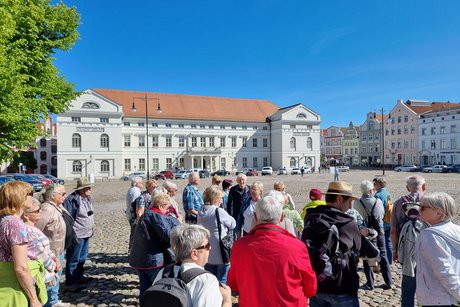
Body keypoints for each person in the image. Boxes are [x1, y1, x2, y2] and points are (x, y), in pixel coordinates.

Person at [227, 195, 317, 306]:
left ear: (255, 217)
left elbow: (233, 283)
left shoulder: (240, 246)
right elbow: (311, 287)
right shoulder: (297, 247)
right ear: (282, 217)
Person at [304, 181, 362, 307]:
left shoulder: (311, 217)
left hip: (317, 285)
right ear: (339, 199)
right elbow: (358, 247)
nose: (350, 206)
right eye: (349, 201)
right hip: (342, 285)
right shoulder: (347, 222)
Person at [152, 224, 232, 307]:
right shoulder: (206, 280)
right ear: (194, 254)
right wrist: (227, 300)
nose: (210, 248)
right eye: (207, 246)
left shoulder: (163, 273)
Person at [129, 192, 181, 301]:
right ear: (161, 206)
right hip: (153, 260)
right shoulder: (155, 216)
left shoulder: (147, 214)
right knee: (157, 289)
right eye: (167, 208)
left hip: (140, 259)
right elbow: (168, 235)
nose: (167, 211)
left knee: (145, 288)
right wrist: (177, 221)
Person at [0, 181, 43, 307]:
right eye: (30, 193)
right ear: (20, 197)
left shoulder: (4, 220)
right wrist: (34, 299)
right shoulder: (15, 224)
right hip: (16, 286)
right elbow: (21, 268)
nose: (32, 196)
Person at [416, 192, 460, 306]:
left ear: (439, 212)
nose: (418, 210)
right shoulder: (456, 229)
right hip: (449, 297)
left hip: (436, 298)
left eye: (423, 207)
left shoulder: (430, 235)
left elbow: (443, 270)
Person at [391, 175, 426, 307]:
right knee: (429, 284)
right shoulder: (429, 202)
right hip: (426, 248)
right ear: (424, 186)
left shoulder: (399, 203)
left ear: (407, 188)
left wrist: (394, 250)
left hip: (406, 249)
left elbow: (393, 230)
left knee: (408, 285)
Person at [353, 180, 393, 290]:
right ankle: (389, 281)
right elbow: (382, 215)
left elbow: (357, 218)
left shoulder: (357, 203)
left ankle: (370, 283)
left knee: (366, 257)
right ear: (371, 190)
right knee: (383, 256)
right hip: (379, 232)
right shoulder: (378, 201)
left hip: (365, 233)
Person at [35, 184, 70, 305]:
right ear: (53, 196)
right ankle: (49, 303)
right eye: (63, 194)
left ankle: (53, 300)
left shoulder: (57, 206)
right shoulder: (47, 209)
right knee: (50, 280)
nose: (65, 196)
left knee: (56, 278)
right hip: (50, 252)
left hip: (59, 249)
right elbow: (36, 230)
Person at [198, 185, 236, 284]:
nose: (222, 201)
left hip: (206, 249)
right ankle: (221, 298)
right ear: (215, 198)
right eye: (221, 198)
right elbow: (233, 224)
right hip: (220, 251)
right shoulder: (218, 211)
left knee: (210, 279)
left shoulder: (201, 210)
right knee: (222, 278)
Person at [63, 178, 95, 288]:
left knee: (82, 257)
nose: (90, 190)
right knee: (73, 259)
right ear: (82, 189)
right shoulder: (72, 200)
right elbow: (67, 218)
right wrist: (71, 234)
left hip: (86, 233)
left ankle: (79, 276)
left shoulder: (87, 198)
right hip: (77, 234)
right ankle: (70, 282)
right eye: (88, 188)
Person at [22, 198, 60, 289]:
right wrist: (53, 266)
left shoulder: (34, 228)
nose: (40, 212)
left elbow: (45, 248)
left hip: (46, 268)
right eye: (37, 211)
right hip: (39, 273)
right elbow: (39, 252)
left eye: (40, 210)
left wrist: (54, 257)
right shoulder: (28, 230)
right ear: (26, 216)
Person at [373, 177, 393, 264]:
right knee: (388, 242)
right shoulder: (388, 193)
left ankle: (383, 262)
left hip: (382, 222)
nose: (373, 186)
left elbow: (377, 210)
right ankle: (389, 261)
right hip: (389, 220)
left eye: (375, 184)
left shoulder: (378, 195)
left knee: (380, 243)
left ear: (379, 184)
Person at [125, 177, 143, 250]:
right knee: (135, 233)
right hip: (134, 215)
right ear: (137, 183)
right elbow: (136, 204)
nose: (142, 184)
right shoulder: (135, 191)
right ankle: (133, 249)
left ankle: (132, 248)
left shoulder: (132, 189)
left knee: (134, 232)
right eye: (141, 182)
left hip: (130, 214)